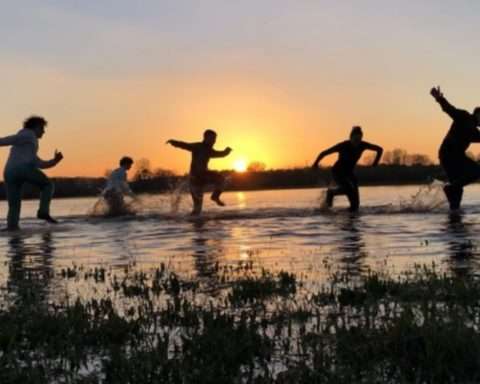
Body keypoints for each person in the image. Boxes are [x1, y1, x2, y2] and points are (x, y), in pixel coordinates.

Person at [0, 116, 63, 230]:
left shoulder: (27, 146)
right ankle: (43, 212)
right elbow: (10, 139)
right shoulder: (28, 134)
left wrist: (55, 161)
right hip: (22, 169)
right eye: (42, 128)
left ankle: (12, 229)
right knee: (47, 185)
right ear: (36, 127)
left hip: (9, 172)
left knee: (14, 206)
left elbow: (39, 163)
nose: (43, 131)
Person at [431, 86, 480, 210]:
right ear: (477, 114)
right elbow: (449, 109)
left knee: (457, 190)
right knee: (476, 172)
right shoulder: (463, 116)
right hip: (450, 154)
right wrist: (439, 98)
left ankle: (454, 219)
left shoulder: (475, 131)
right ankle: (451, 189)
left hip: (449, 155)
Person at [312, 126, 383, 212]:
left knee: (355, 206)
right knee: (348, 189)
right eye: (355, 139)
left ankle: (350, 217)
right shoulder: (343, 145)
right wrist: (315, 164)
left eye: (359, 139)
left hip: (349, 173)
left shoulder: (363, 145)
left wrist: (375, 163)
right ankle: (331, 194)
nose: (357, 142)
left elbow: (380, 149)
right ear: (351, 138)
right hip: (337, 171)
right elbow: (324, 153)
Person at [166, 129, 232, 215]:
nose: (214, 141)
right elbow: (185, 145)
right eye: (212, 139)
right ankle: (193, 221)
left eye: (215, 139)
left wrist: (226, 151)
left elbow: (220, 154)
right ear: (206, 138)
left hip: (204, 176)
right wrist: (174, 142)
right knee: (197, 209)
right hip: (195, 178)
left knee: (222, 179)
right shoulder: (197, 146)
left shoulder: (210, 150)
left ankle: (215, 196)